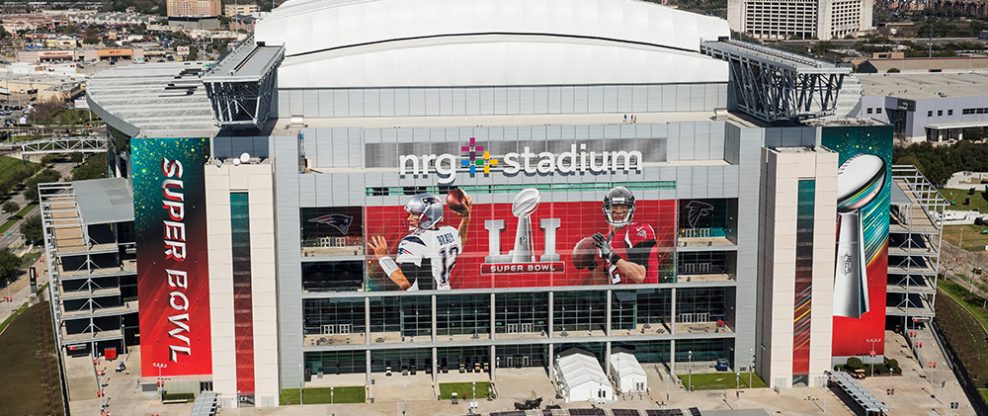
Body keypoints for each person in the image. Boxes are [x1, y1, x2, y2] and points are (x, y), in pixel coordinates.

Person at [368, 192, 472, 290]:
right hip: (446, 295)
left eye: (414, 214)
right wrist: (466, 218)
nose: (409, 218)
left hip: (424, 302)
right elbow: (460, 241)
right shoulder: (450, 232)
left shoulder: (413, 241)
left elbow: (405, 283)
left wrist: (383, 257)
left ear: (428, 216)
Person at [587, 186, 659, 284]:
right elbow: (604, 283)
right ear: (607, 209)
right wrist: (592, 265)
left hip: (644, 295)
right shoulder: (604, 241)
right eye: (614, 207)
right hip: (617, 296)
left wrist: (610, 254)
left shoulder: (637, 230)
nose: (619, 211)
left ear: (631, 209)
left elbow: (640, 275)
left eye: (623, 207)